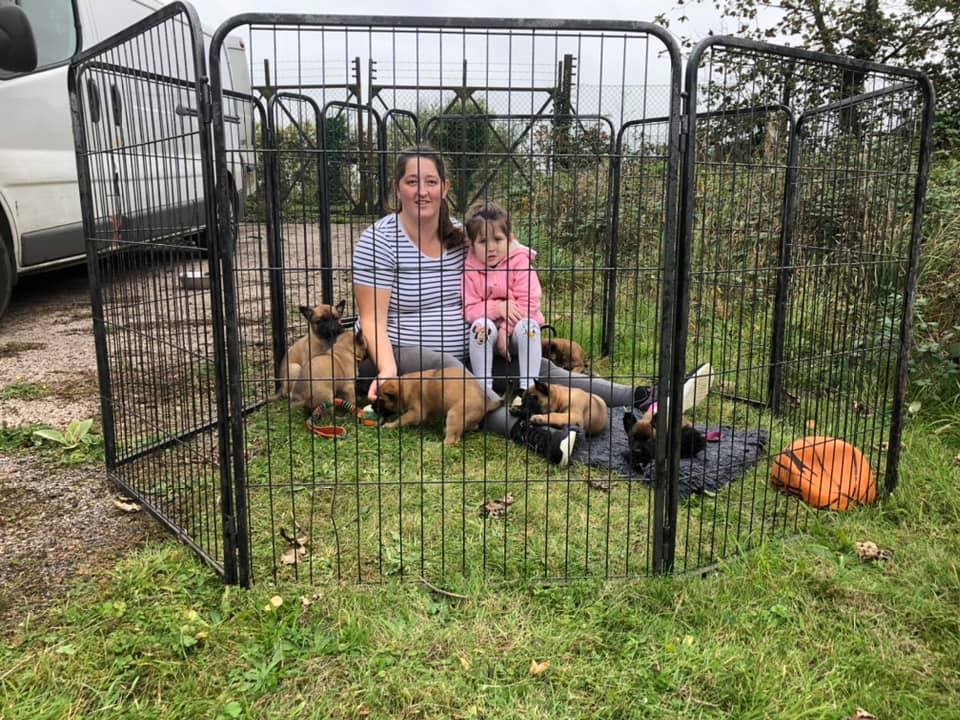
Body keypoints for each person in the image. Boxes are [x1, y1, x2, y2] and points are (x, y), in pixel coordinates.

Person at [352, 145, 710, 466]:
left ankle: (644, 396)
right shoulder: (379, 241)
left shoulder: (462, 235)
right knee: (453, 375)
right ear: (397, 187)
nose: (422, 191)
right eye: (412, 182)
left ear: (445, 188)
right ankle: (532, 434)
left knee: (537, 368)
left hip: (476, 341)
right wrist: (387, 369)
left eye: (431, 181)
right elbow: (371, 321)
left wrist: (510, 306)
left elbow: (509, 251)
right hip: (404, 352)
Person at [461, 201, 544, 397]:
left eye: (497, 239)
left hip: (517, 335)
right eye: (483, 242)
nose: (491, 248)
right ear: (471, 245)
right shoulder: (470, 269)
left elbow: (530, 301)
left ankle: (528, 390)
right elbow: (470, 309)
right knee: (480, 326)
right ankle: (483, 392)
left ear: (510, 239)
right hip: (487, 335)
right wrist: (497, 308)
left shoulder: (520, 262)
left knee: (529, 327)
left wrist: (506, 330)